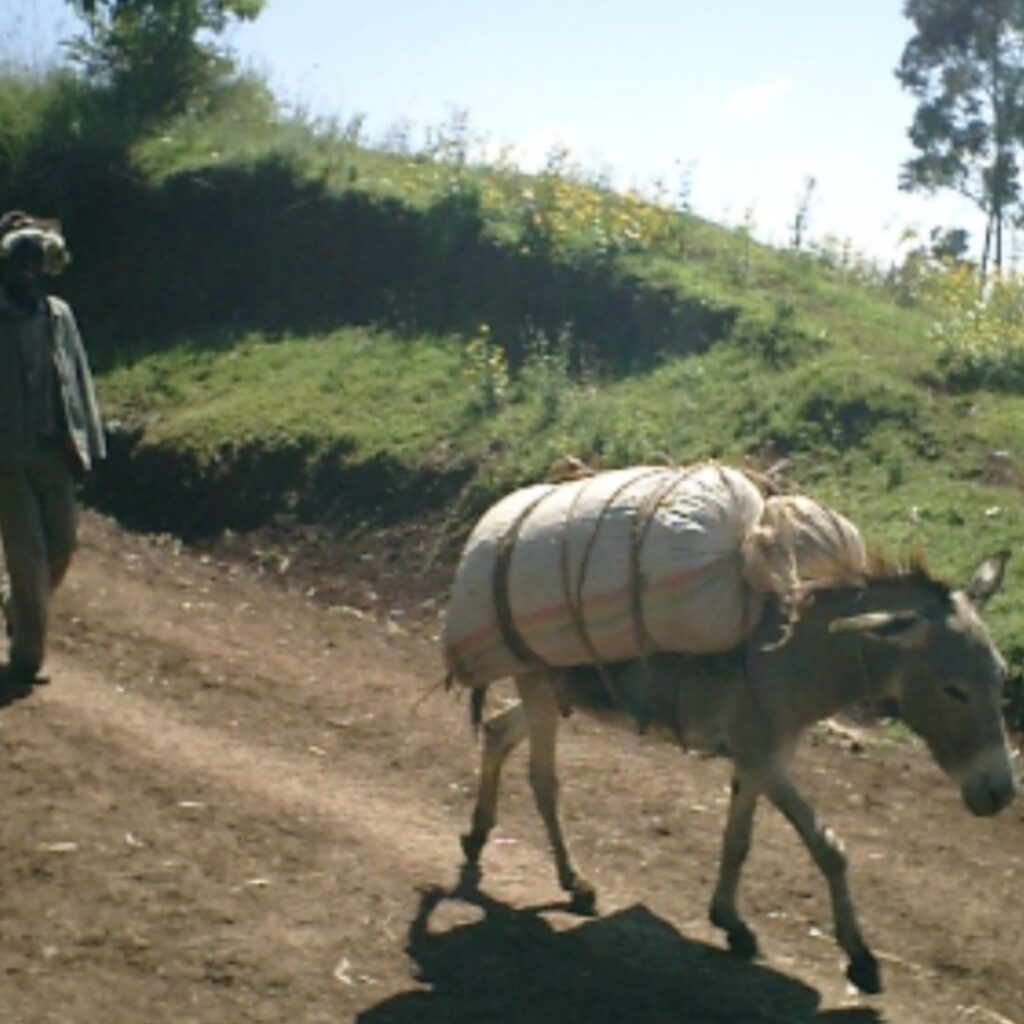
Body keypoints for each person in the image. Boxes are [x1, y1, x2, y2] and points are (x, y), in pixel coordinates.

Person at [0, 210, 105, 686]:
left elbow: (78, 382)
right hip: (8, 458)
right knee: (27, 555)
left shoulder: (58, 316)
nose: (27, 276)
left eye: (33, 267)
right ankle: (27, 659)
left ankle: (15, 603)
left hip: (55, 451)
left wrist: (90, 444)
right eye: (18, 268)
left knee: (62, 548)